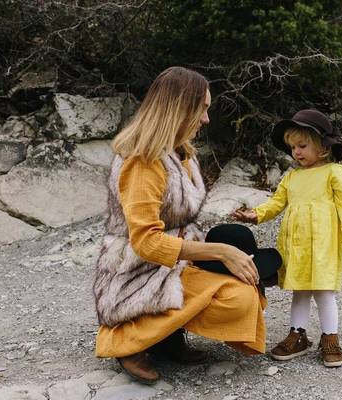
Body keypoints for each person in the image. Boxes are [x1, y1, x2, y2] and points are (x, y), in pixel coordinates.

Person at [92, 66, 282, 384]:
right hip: (139, 270)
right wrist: (220, 252)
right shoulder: (144, 161)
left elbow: (178, 222)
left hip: (176, 261)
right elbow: (146, 243)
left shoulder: (181, 153)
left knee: (245, 292)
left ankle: (166, 337)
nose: (206, 119)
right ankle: (125, 340)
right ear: (179, 108)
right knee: (236, 297)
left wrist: (222, 250)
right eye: (202, 108)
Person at [232, 109, 342, 368]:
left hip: (324, 242)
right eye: (293, 147)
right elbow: (276, 203)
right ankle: (298, 335)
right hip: (297, 245)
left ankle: (330, 338)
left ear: (322, 146)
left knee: (324, 292)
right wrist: (254, 216)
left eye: (302, 146)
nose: (297, 152)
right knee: (300, 291)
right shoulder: (292, 176)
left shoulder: (334, 172)